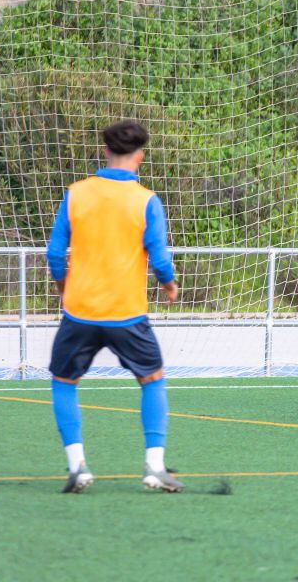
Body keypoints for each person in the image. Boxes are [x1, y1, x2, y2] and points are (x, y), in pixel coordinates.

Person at [46, 120, 183, 493]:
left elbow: (55, 253)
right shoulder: (145, 200)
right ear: (140, 156)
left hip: (80, 312)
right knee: (152, 380)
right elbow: (159, 258)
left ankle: (78, 467)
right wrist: (169, 285)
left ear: (105, 152)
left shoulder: (76, 193)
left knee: (64, 382)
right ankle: (154, 466)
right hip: (127, 314)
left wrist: (64, 287)